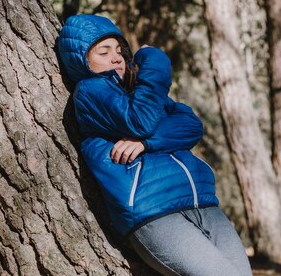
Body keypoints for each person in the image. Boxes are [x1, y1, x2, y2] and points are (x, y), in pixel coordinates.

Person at [58, 14, 252, 276]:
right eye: (104, 52)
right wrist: (154, 60)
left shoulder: (138, 92)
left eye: (120, 51)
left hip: (203, 202)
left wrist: (147, 143)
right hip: (154, 212)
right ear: (82, 60)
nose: (117, 58)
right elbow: (139, 120)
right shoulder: (90, 91)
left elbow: (191, 125)